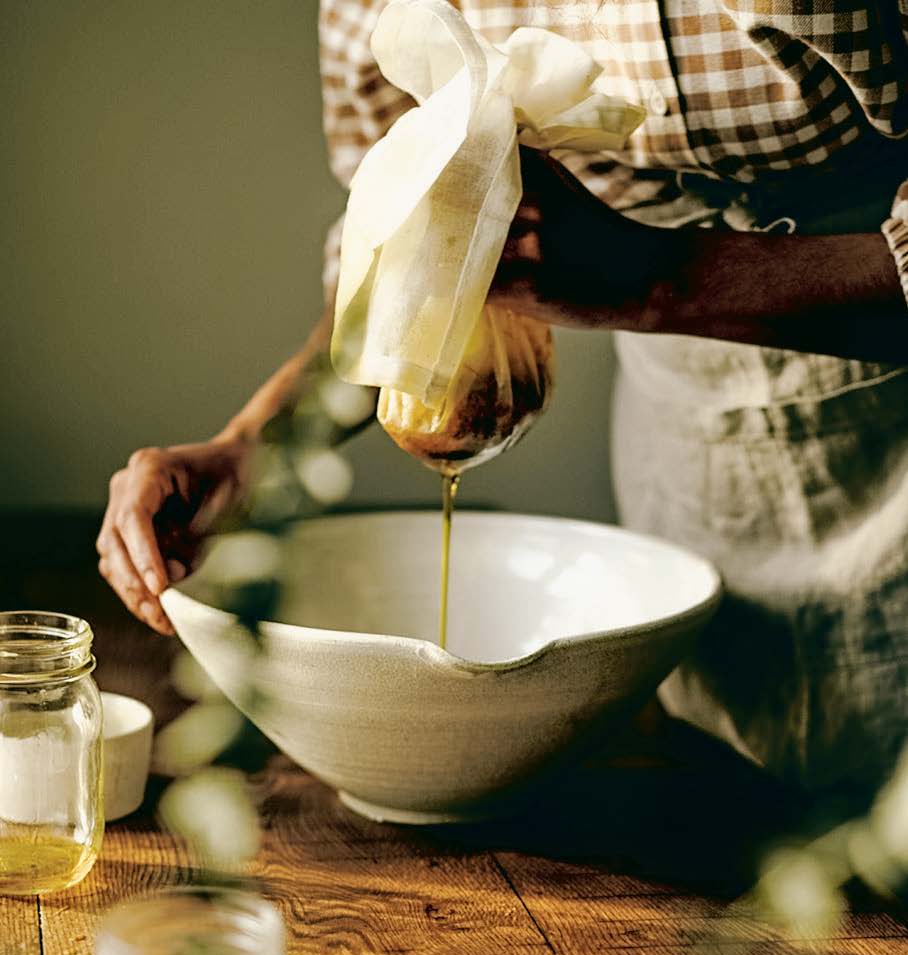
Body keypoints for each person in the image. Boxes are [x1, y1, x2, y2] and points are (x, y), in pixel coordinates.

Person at [97, 0, 908, 809]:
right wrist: (257, 445)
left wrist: (659, 280)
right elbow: (414, 242)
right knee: (734, 796)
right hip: (690, 464)